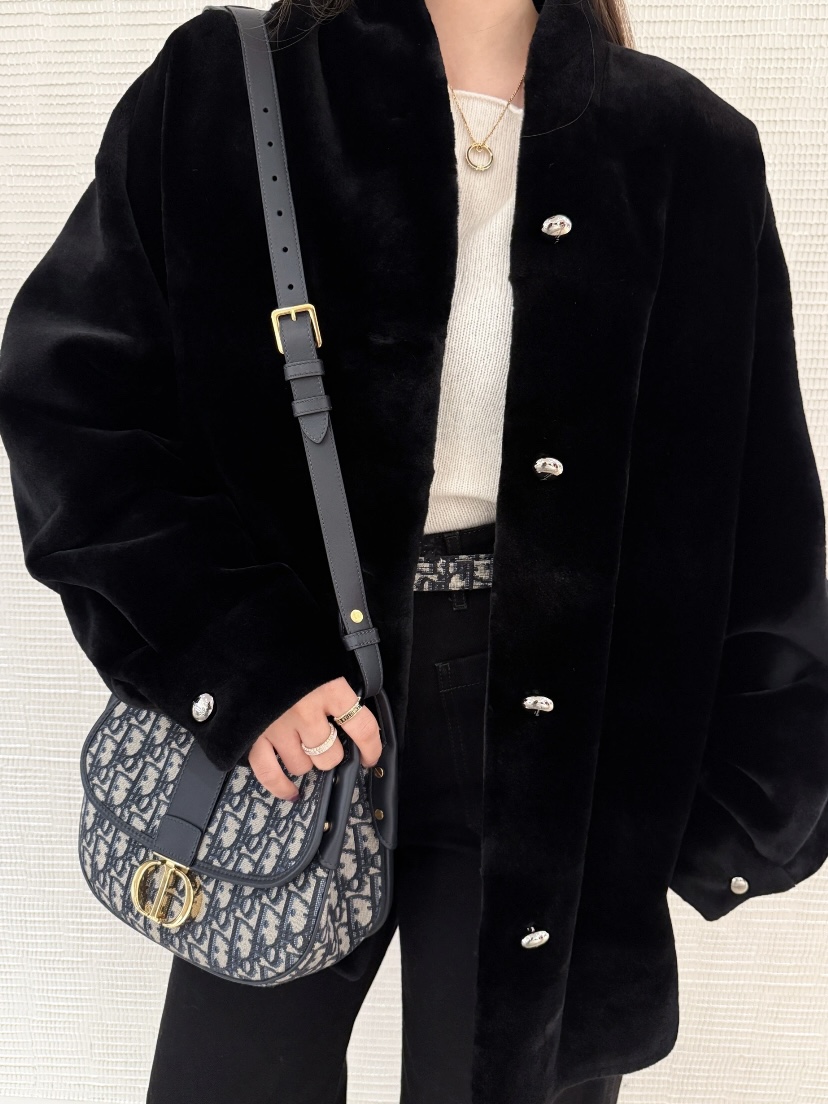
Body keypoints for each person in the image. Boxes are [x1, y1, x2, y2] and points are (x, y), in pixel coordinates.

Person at [2, 1, 827, 1102]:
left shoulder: (687, 146)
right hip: (304, 714)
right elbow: (77, 403)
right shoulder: (228, 88)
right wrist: (243, 664)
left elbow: (758, 497)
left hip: (557, 742)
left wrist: (750, 790)